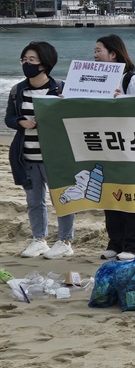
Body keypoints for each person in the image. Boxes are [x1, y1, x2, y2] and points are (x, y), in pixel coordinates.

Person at [5, 41, 75, 259]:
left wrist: (68, 103)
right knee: (34, 201)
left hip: (55, 157)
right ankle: (39, 240)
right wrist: (20, 121)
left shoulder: (62, 88)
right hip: (26, 155)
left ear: (44, 64)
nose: (27, 64)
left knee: (62, 199)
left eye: (32, 60)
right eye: (24, 60)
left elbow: (78, 117)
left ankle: (64, 241)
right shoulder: (18, 90)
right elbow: (8, 118)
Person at [96, 34, 135, 261]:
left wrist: (123, 100)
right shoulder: (96, 79)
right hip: (107, 146)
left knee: (132, 195)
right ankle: (116, 242)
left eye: (99, 51)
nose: (95, 56)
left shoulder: (132, 80)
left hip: (131, 148)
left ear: (113, 54)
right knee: (110, 195)